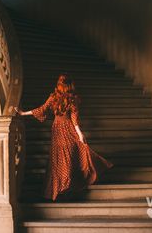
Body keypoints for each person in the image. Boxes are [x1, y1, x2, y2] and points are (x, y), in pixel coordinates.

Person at [14, 73, 114, 201]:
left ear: (59, 85)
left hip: (58, 128)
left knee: (60, 159)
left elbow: (42, 109)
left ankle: (62, 188)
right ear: (70, 85)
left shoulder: (55, 97)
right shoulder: (72, 98)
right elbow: (74, 119)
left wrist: (23, 113)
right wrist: (79, 134)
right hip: (66, 129)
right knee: (65, 158)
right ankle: (64, 188)